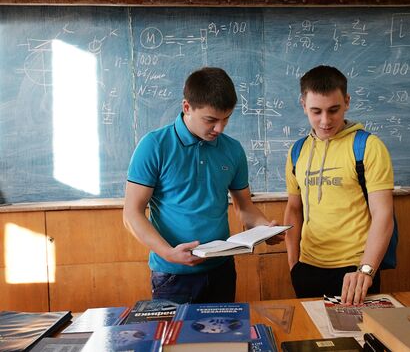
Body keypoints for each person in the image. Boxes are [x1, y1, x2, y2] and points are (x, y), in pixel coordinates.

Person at [123, 67, 282, 304]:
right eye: (211, 120)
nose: (219, 128)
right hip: (172, 275)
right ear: (187, 107)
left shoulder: (232, 149)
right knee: (174, 341)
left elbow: (244, 207)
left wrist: (265, 227)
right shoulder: (154, 146)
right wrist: (168, 253)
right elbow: (131, 214)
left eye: (226, 118)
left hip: (222, 270)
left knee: (224, 341)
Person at [284, 65, 394, 305]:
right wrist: (294, 264)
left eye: (334, 110)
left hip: (355, 271)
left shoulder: (368, 146)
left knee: (359, 339)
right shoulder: (297, 151)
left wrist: (366, 270)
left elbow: (383, 213)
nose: (325, 121)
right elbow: (294, 209)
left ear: (347, 101)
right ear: (303, 105)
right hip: (307, 268)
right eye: (316, 111)